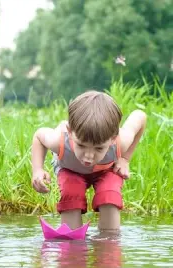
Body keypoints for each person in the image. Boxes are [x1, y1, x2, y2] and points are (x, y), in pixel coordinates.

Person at [31, 91, 146, 231]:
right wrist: (37, 170)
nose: (88, 157)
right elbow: (38, 136)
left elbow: (140, 117)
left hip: (106, 169)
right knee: (71, 195)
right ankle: (71, 240)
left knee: (109, 196)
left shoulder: (121, 141)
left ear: (112, 138)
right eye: (81, 145)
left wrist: (124, 159)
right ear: (70, 131)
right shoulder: (58, 140)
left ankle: (108, 241)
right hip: (70, 169)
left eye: (98, 148)